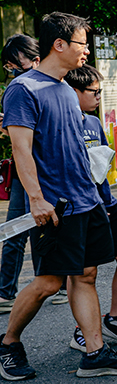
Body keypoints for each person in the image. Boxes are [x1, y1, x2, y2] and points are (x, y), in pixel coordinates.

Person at [0, 12, 117, 380]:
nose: (87, 50)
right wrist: (35, 198)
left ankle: (94, 353)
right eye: (82, 43)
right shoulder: (23, 89)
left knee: (87, 274)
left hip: (86, 200)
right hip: (55, 205)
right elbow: (21, 149)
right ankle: (8, 343)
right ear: (59, 44)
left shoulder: (65, 89)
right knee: (49, 281)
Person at [65, 64, 117, 350]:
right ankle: (83, 330)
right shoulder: (61, 124)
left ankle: (115, 318)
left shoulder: (93, 123)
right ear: (73, 91)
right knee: (85, 273)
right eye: (94, 92)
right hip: (81, 208)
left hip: (107, 202)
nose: (99, 97)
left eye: (100, 91)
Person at [0, 35, 42, 313]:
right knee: (15, 230)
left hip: (46, 172)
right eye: (8, 65)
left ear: (35, 58)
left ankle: (55, 283)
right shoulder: (15, 88)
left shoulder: (51, 86)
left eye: (16, 63)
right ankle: (5, 292)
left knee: (44, 232)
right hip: (20, 171)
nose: (12, 69)